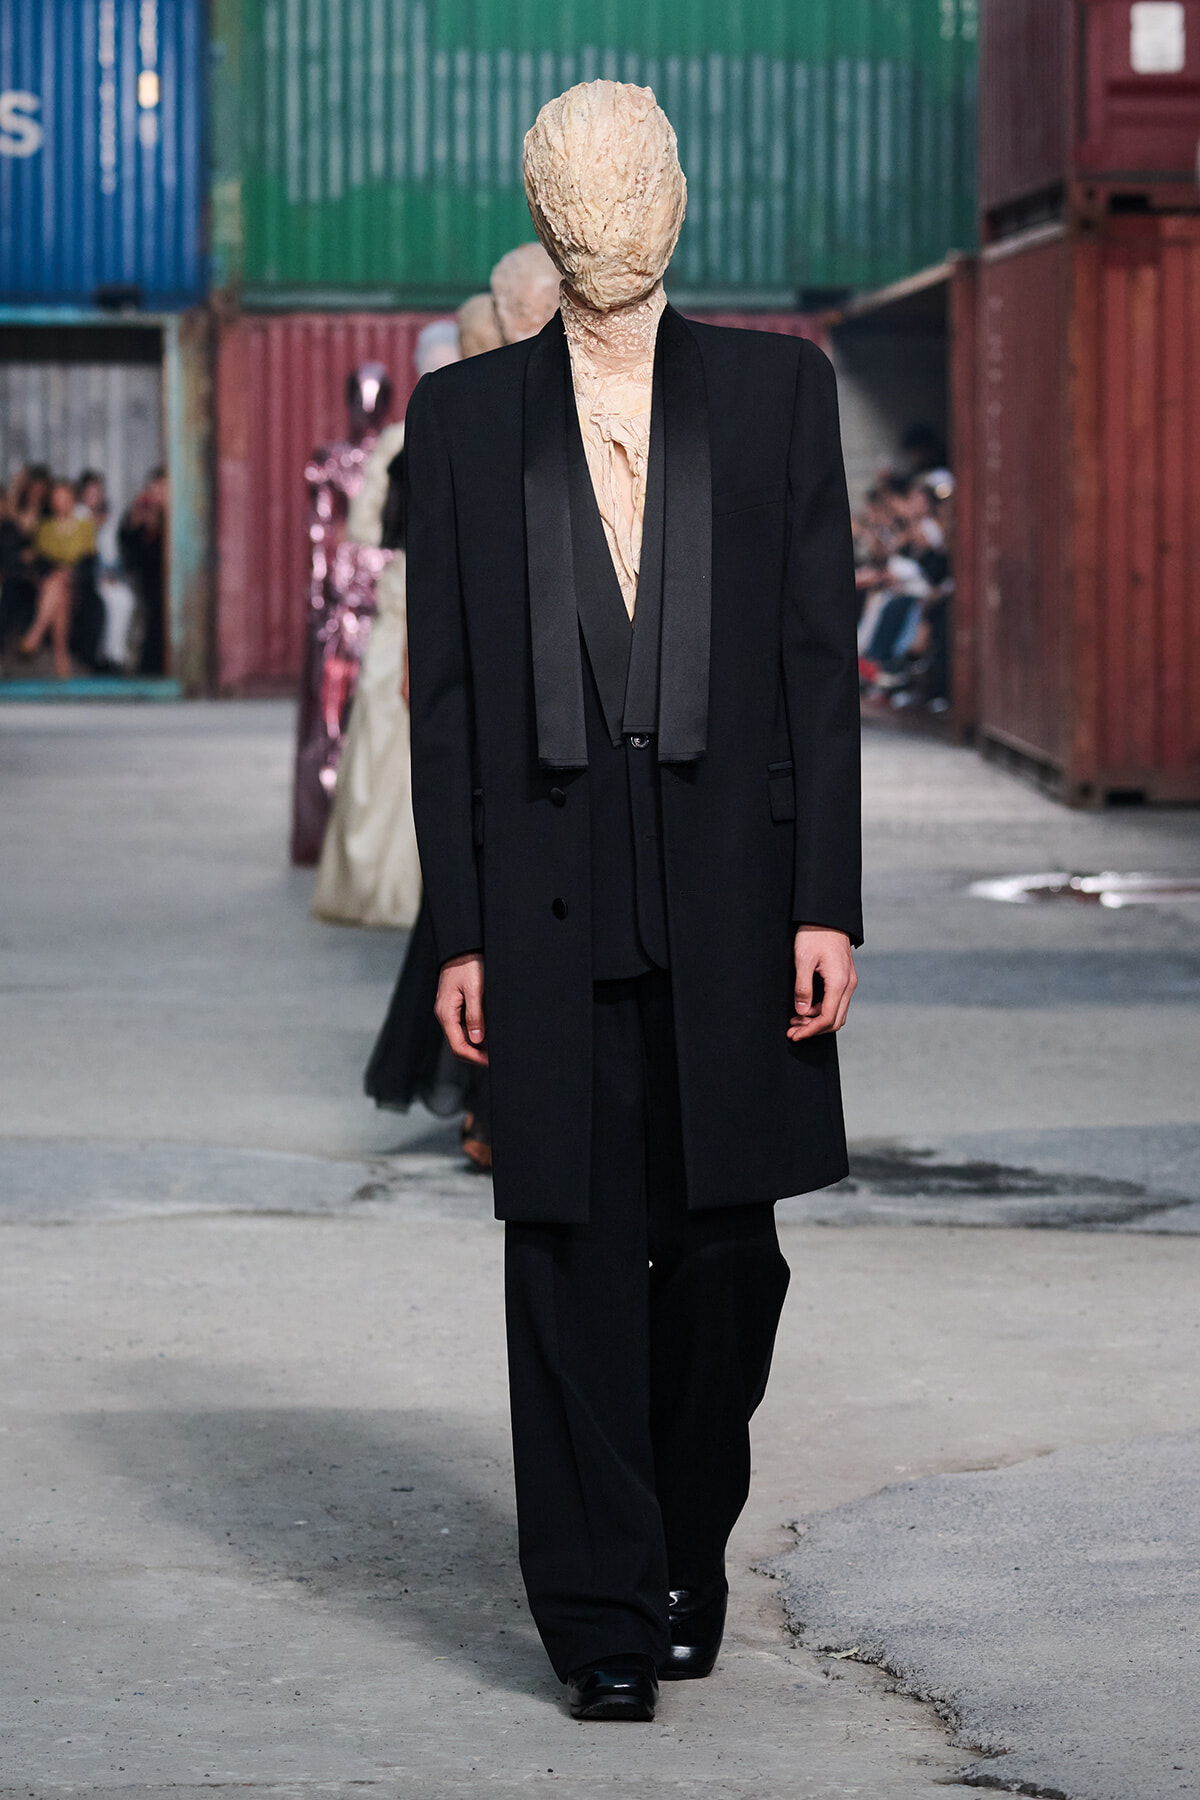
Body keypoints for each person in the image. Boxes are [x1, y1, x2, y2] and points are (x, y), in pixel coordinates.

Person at [405, 81, 860, 1722]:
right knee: (567, 1256)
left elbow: (819, 665)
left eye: (633, 181)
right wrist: (457, 928)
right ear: (544, 213)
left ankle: (680, 1540)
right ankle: (598, 1608)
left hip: (738, 896)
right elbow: (446, 698)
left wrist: (827, 900)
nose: (609, 214)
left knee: (730, 1258)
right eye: (578, 189)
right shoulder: (465, 419)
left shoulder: (780, 393)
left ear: (677, 198)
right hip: (540, 902)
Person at [365, 257, 557, 1169]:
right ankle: (494, 1096)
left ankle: (496, 1096)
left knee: (492, 899)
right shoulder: (465, 416)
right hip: (496, 692)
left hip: (507, 691)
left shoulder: (482, 413)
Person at [312, 323, 460, 928]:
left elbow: (366, 531)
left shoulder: (398, 441)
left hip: (403, 598)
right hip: (433, 600)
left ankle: (375, 882)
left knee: (382, 739)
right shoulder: (476, 428)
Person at [18, 479, 97, 678]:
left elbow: (87, 559)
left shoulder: (85, 526)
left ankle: (35, 634)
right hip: (51, 582)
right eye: (57, 498)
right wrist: (60, 570)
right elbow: (41, 560)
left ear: (72, 499)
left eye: (65, 497)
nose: (61, 502)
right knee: (58, 589)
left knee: (59, 585)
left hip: (77, 584)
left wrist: (69, 572)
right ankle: (61, 658)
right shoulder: (44, 527)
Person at [119, 468, 168, 674]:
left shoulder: (174, 516)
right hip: (145, 579)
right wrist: (136, 523)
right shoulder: (139, 512)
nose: (158, 494)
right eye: (155, 488)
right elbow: (129, 550)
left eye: (162, 488)